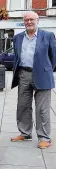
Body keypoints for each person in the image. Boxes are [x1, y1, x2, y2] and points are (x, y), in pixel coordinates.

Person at [10, 11, 56, 149]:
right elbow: (17, 57)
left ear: (38, 21)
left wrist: (46, 70)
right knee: (23, 106)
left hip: (42, 74)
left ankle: (44, 138)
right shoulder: (17, 37)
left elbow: (53, 58)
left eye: (31, 19)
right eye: (26, 20)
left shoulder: (48, 36)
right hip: (24, 74)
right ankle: (25, 133)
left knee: (42, 109)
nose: (29, 22)